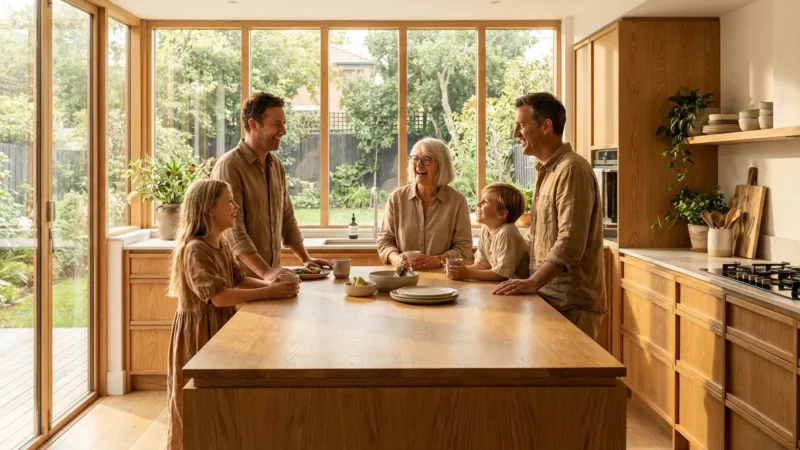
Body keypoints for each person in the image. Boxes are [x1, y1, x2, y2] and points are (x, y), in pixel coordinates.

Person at [166, 179, 299, 450]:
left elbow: (238, 280)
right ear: (208, 210)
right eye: (228, 201)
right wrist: (270, 292)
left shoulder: (220, 244)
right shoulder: (195, 249)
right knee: (192, 406)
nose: (235, 206)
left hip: (218, 328)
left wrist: (276, 287)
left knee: (220, 403)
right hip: (197, 336)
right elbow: (219, 296)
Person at [493, 92, 606, 339]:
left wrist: (533, 282)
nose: (516, 134)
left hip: (570, 303)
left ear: (546, 126)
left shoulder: (571, 170)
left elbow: (570, 242)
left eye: (522, 126)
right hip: (549, 298)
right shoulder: (548, 171)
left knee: (571, 378)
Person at [212, 92, 331, 281]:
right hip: (241, 283)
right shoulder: (230, 167)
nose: (283, 131)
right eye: (277, 125)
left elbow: (287, 218)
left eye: (283, 124)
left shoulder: (275, 165)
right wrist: (265, 272)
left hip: (271, 281)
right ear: (253, 125)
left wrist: (305, 258)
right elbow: (233, 232)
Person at [377, 138, 472, 270]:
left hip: (443, 279)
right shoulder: (396, 198)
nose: (419, 165)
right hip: (404, 278)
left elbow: (464, 248)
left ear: (441, 165)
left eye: (426, 160)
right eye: (415, 159)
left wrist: (438, 260)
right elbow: (385, 241)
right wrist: (396, 259)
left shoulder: (457, 201)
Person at [447, 183, 530, 281]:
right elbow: (483, 265)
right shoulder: (485, 229)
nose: (478, 204)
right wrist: (458, 270)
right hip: (502, 287)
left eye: (485, 202)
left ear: (502, 213)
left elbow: (502, 274)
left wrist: (468, 273)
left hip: (518, 290)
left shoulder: (507, 232)